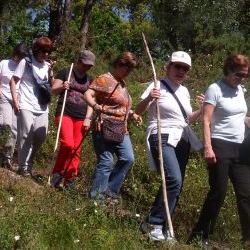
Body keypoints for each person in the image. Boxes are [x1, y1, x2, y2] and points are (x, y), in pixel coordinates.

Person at [189, 54, 250, 247]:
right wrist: (208, 148)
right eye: (239, 75)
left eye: (246, 75)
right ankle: (200, 235)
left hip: (241, 148)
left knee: (244, 194)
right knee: (218, 192)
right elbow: (206, 119)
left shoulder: (241, 90)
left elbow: (236, 116)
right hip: (219, 145)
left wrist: (249, 120)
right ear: (228, 70)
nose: (242, 79)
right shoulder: (215, 89)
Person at [135, 51, 204, 241]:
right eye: (177, 66)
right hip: (161, 135)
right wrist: (149, 98)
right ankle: (154, 223)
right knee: (173, 179)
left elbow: (185, 120)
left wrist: (202, 110)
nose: (181, 71)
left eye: (185, 68)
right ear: (169, 66)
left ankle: (163, 226)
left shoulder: (184, 91)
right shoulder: (156, 84)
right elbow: (138, 110)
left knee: (176, 184)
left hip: (182, 138)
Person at [84, 52, 141, 202]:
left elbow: (121, 105)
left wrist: (132, 113)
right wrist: (95, 106)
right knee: (106, 161)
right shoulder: (105, 79)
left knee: (128, 158)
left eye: (131, 69)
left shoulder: (122, 83)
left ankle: (110, 190)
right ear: (118, 64)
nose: (128, 71)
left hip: (121, 128)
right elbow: (88, 94)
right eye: (126, 67)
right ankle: (96, 200)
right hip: (104, 125)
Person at [48, 50, 96, 188]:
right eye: (86, 64)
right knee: (68, 144)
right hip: (65, 113)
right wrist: (63, 86)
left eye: (90, 65)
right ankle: (57, 173)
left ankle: (69, 179)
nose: (88, 67)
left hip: (81, 116)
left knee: (76, 148)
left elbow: (91, 101)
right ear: (80, 61)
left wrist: (88, 118)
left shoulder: (90, 80)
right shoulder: (66, 72)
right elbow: (53, 90)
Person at [9, 37, 56, 177]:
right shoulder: (26, 62)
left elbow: (50, 85)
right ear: (37, 49)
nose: (47, 54)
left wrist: (52, 73)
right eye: (44, 51)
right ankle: (23, 167)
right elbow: (14, 80)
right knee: (25, 135)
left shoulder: (48, 66)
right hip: (26, 104)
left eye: (49, 51)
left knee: (41, 135)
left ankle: (30, 160)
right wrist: (15, 99)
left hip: (42, 106)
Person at [0, 43, 28, 168]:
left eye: (21, 57)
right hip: (4, 96)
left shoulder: (25, 67)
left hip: (18, 100)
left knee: (15, 130)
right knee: (6, 124)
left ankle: (7, 158)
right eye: (17, 56)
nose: (18, 58)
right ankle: (0, 153)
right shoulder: (4, 63)